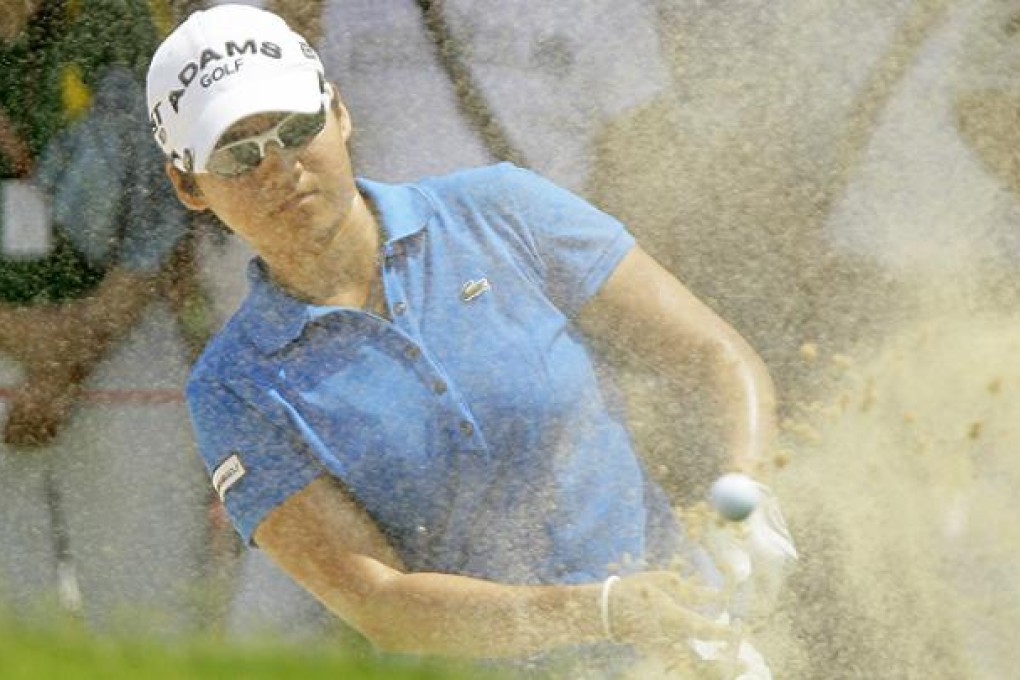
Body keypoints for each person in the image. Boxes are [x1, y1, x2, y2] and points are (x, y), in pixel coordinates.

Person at [148, 4, 782, 675]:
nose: (279, 167)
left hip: (691, 652)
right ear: (188, 184)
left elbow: (713, 355)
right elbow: (382, 603)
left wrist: (745, 492)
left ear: (337, 112)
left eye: (296, 128)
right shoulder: (233, 385)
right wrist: (601, 610)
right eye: (237, 153)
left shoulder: (502, 209)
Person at [0, 0, 208, 635]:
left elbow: (165, 207)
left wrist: (72, 353)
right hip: (23, 342)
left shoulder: (122, 25)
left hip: (123, 342)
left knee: (145, 621)